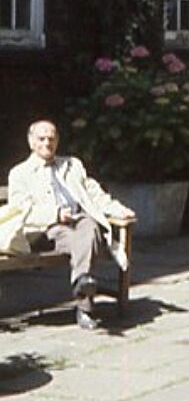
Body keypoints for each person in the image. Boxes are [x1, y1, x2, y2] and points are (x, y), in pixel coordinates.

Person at [8, 119, 135, 330]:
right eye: (41, 139)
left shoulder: (73, 165)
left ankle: (82, 281)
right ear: (31, 142)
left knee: (90, 224)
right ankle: (84, 306)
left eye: (51, 138)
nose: (47, 143)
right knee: (83, 236)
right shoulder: (20, 174)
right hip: (47, 230)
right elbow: (20, 211)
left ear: (57, 141)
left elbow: (95, 194)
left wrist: (120, 211)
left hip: (80, 223)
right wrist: (56, 214)